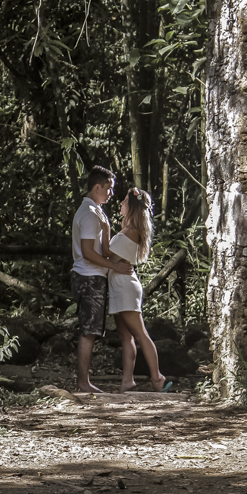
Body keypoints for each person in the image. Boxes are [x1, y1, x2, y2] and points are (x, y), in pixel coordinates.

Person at [70, 165, 133, 393]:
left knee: (93, 330)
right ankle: (83, 383)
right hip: (88, 277)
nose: (111, 193)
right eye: (108, 188)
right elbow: (88, 252)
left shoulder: (96, 211)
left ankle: (84, 381)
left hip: (94, 277)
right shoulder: (88, 214)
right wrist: (114, 266)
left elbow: (103, 249)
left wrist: (108, 230)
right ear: (97, 187)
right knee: (89, 331)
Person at [107, 187, 171, 393]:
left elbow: (107, 255)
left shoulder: (132, 231)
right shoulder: (127, 230)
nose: (121, 204)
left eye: (125, 201)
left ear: (132, 207)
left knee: (140, 334)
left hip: (125, 286)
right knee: (126, 336)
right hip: (118, 285)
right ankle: (127, 381)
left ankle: (157, 377)